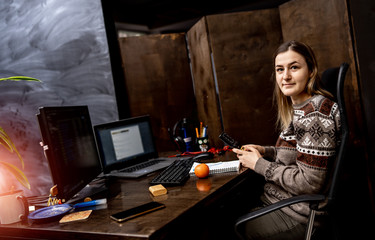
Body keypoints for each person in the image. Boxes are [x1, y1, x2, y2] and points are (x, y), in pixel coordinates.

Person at [232, 40, 341, 240]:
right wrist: (266, 151)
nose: (286, 76)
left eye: (294, 67)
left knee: (222, 227)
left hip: (298, 214)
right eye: (280, 70)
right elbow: (302, 151)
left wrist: (259, 164)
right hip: (282, 202)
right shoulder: (301, 108)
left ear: (311, 70)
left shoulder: (315, 114)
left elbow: (309, 183)